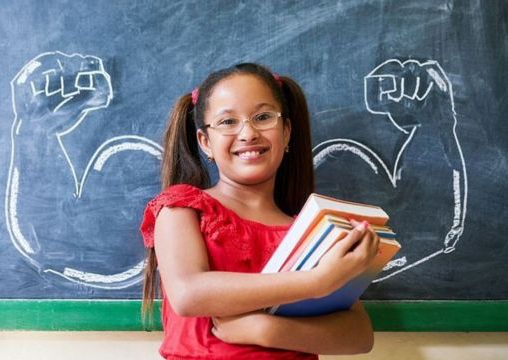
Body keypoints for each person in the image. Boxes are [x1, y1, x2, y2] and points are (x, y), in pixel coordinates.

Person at [140, 63, 379, 359]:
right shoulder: (182, 208)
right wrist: (315, 282)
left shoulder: (311, 231)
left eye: (263, 117)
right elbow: (189, 293)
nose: (248, 133)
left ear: (286, 132)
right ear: (205, 142)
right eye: (228, 122)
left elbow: (359, 336)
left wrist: (266, 331)